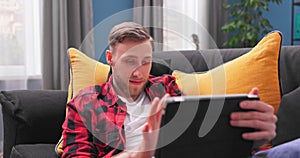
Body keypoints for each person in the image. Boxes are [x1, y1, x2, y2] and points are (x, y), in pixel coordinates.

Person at [61, 22, 277, 158]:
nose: (138, 72)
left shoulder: (165, 87)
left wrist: (244, 139)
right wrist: (141, 151)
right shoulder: (86, 102)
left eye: (145, 62)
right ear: (111, 59)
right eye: (129, 62)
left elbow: (195, 139)